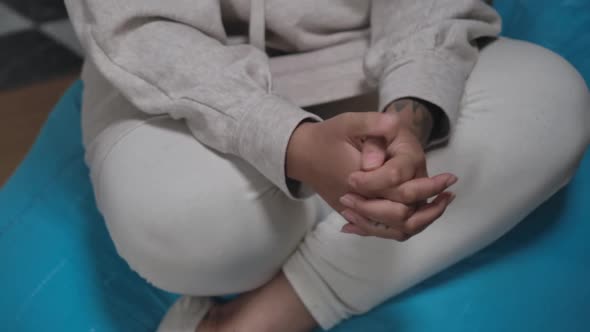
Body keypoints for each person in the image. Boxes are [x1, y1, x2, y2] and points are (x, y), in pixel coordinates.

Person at [65, 0, 589, 331]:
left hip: (364, 55)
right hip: (176, 79)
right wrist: (290, 143)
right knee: (184, 226)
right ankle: (327, 232)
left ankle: (260, 320)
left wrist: (412, 116)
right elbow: (143, 29)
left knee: (551, 101)